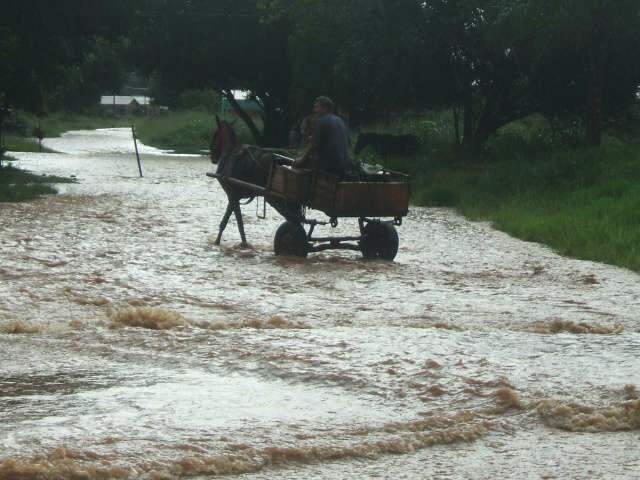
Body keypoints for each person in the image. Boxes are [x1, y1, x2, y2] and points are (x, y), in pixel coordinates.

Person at [293, 96, 355, 177]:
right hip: (345, 165)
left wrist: (301, 160)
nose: (314, 110)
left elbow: (313, 144)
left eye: (316, 107)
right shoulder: (340, 121)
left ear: (325, 108)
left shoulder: (322, 120)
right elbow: (347, 142)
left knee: (297, 166)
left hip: (330, 166)